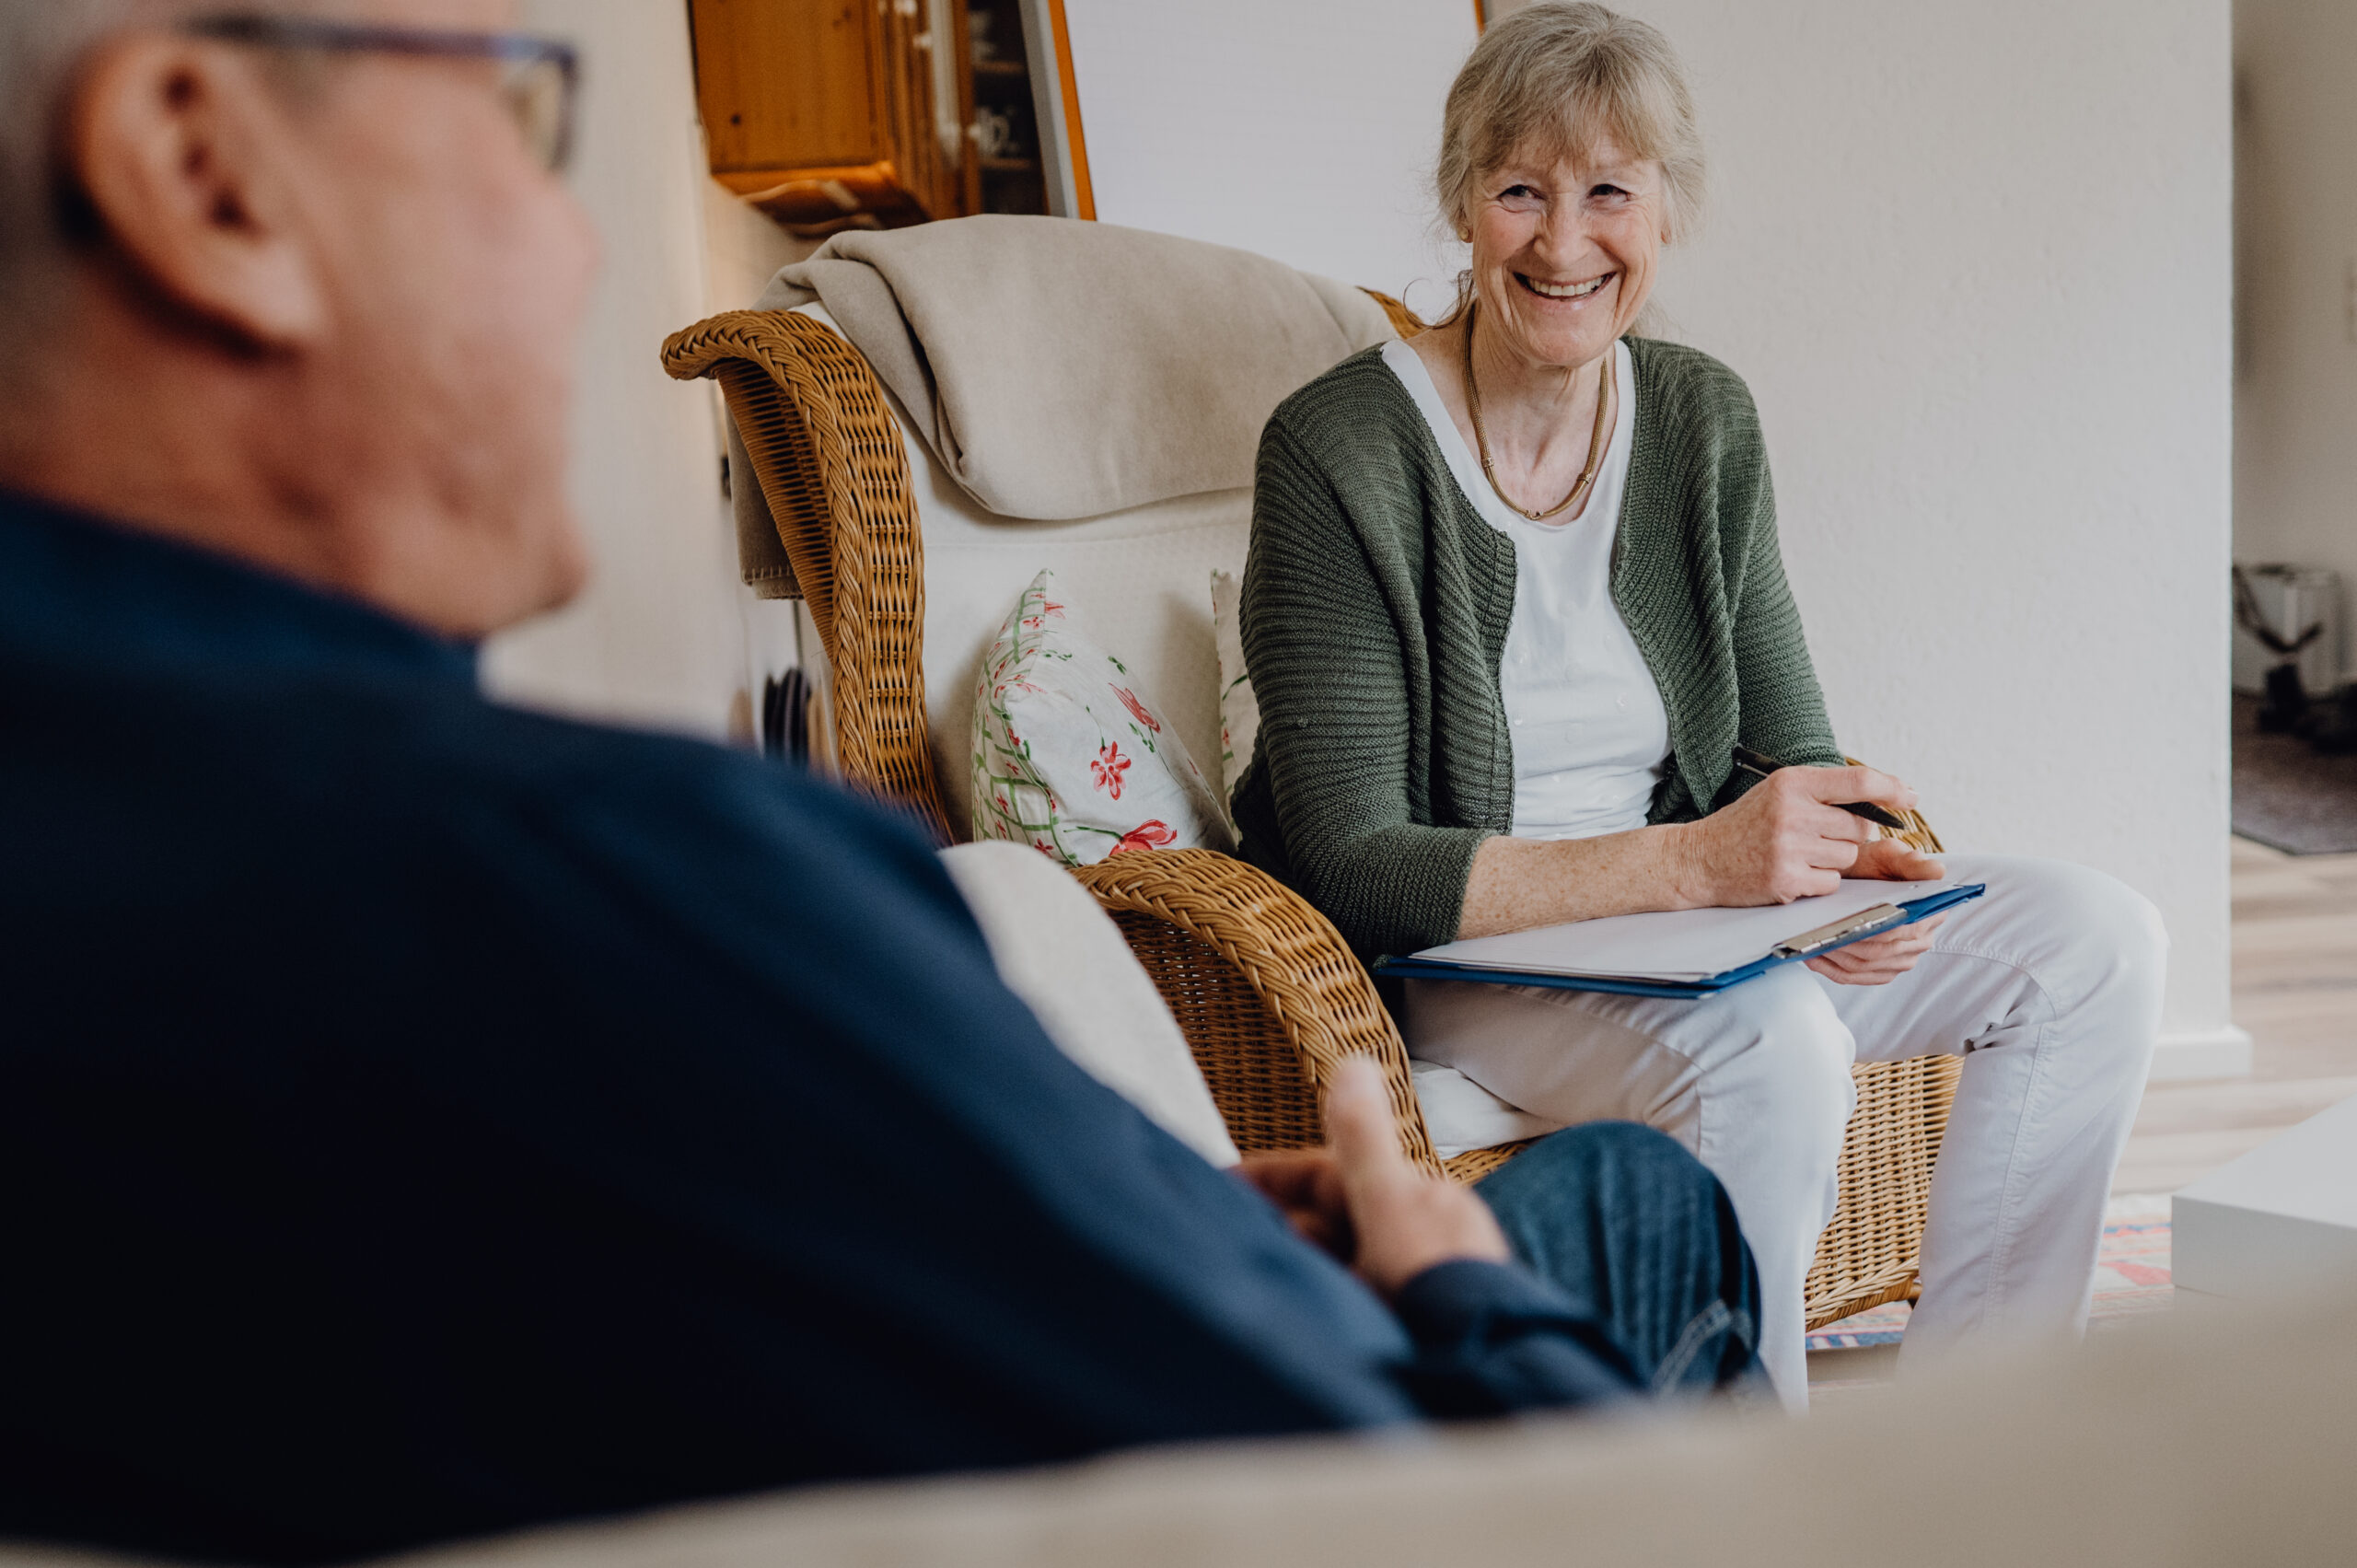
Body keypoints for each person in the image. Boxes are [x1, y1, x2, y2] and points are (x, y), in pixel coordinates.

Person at [0, 6, 1763, 1564]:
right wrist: (1445, 1278)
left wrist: (1062, 1208)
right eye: (518, 108)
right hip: (1297, 1442)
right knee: (1643, 1201)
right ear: (206, 175)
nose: (579, 246)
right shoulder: (647, 884)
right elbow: (1434, 1495)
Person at [1231, 0, 2168, 1408]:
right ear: (1461, 206)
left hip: (1696, 938)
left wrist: (1872, 858)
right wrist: (1702, 866)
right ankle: (1750, 1498)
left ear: (1666, 211)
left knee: (2101, 941)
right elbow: (1358, 862)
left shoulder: (1700, 418)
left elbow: (1794, 744)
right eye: (1519, 191)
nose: (1564, 242)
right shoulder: (1338, 449)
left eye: (1609, 189)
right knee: (1776, 1045)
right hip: (1468, 966)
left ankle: (1985, 1440)